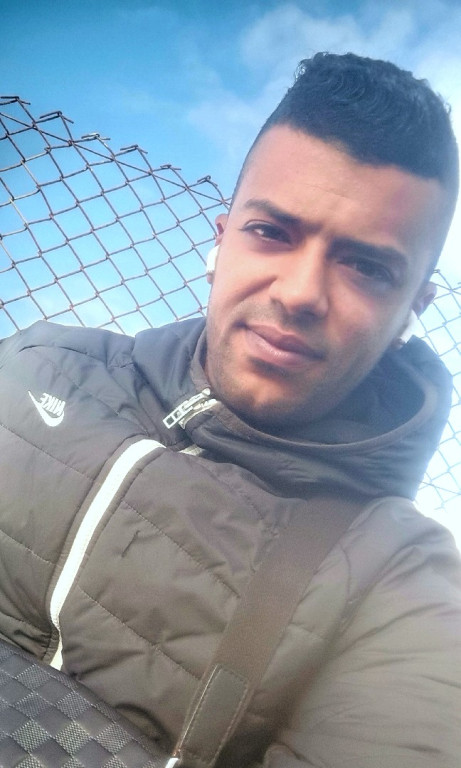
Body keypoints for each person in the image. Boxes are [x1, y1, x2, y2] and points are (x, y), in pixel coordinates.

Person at [0, 52, 460, 767]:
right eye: (271, 232)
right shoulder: (38, 364)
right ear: (221, 241)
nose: (299, 293)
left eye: (367, 267)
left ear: (412, 308)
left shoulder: (403, 586)